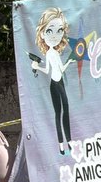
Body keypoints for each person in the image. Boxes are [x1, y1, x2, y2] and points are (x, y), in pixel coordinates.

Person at [31, 8, 74, 155]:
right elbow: (48, 70)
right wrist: (37, 66)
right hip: (54, 85)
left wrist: (69, 61)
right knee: (58, 113)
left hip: (60, 81)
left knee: (66, 109)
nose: (55, 35)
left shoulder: (55, 52)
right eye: (50, 31)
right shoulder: (49, 53)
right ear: (42, 33)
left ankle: (70, 142)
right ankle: (61, 145)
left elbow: (61, 69)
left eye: (59, 30)